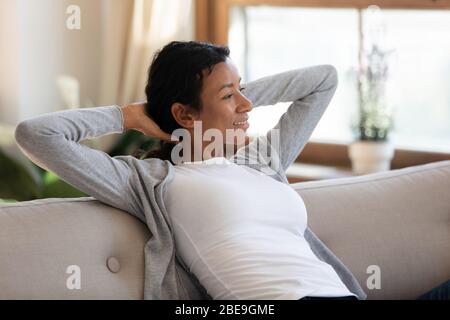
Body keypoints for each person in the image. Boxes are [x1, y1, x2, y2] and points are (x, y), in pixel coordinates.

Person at [14, 41, 448, 300]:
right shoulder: (151, 182)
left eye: (243, 92)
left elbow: (324, 80)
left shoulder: (263, 160)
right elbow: (37, 135)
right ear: (183, 113)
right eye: (230, 95)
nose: (247, 106)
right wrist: (131, 115)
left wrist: (228, 93)